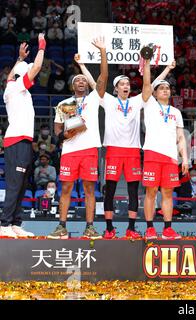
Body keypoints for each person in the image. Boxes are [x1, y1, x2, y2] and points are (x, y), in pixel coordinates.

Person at [75, 55, 167, 239]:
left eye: (128, 84)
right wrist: (82, 65)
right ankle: (109, 228)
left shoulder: (136, 102)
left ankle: (131, 228)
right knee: (110, 190)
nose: (126, 86)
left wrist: (165, 70)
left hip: (133, 151)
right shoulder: (108, 100)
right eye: (122, 84)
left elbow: (149, 86)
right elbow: (95, 84)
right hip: (114, 151)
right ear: (116, 88)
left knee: (134, 192)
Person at [47, 37, 108, 240]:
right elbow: (57, 128)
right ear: (73, 86)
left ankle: (90, 227)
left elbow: (103, 77)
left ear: (87, 85)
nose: (81, 81)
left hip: (90, 149)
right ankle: (61, 226)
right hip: (70, 151)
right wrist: (64, 134)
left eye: (83, 79)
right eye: (77, 80)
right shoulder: (64, 104)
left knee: (90, 189)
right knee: (66, 188)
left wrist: (102, 52)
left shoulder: (93, 98)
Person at [0, 35, 46, 238]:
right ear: (21, 76)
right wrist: (42, 47)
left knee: (22, 184)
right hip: (16, 141)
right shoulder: (15, 87)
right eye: (26, 73)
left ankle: (15, 222)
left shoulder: (17, 88)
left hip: (24, 141)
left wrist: (19, 59)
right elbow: (35, 68)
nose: (31, 75)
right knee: (14, 184)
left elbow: (12, 74)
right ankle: (4, 224)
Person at [141, 77, 189, 240]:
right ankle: (150, 228)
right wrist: (162, 67)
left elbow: (181, 137)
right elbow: (147, 83)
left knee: (168, 193)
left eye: (167, 88)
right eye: (161, 88)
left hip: (170, 156)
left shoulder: (176, 112)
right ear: (154, 93)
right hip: (153, 153)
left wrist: (185, 158)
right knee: (151, 191)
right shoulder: (149, 105)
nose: (165, 90)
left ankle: (168, 229)